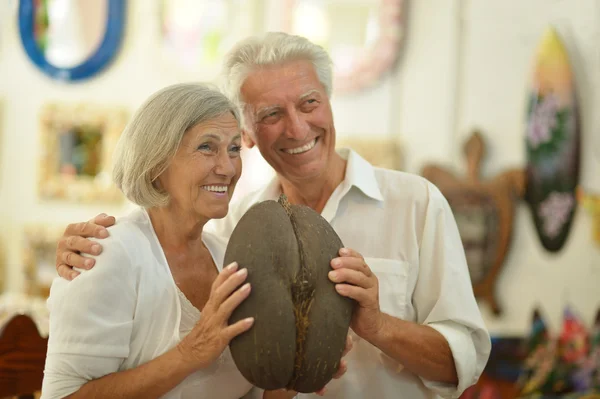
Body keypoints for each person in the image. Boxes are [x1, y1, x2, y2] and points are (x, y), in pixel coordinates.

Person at [55, 32, 492, 398]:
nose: (298, 128)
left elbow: (462, 364)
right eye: (271, 114)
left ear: (329, 101)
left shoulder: (416, 204)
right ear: (246, 131)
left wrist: (378, 325)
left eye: (308, 103)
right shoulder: (231, 228)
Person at [41, 83, 345, 399]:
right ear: (156, 161)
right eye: (206, 147)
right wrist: (192, 351)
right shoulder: (103, 255)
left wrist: (298, 368)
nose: (228, 168)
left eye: (233, 149)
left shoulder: (231, 258)